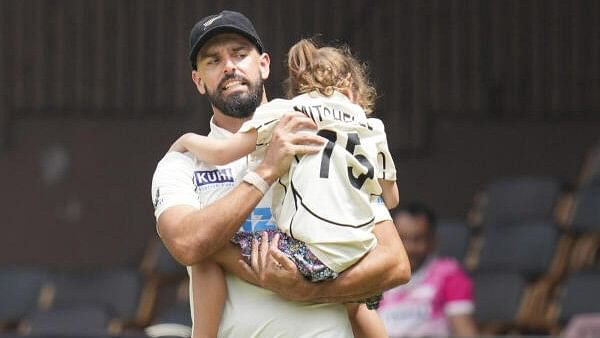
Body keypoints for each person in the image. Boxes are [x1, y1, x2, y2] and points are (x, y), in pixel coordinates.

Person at [151, 10, 410, 338]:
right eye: (213, 60)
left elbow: (395, 264)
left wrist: (306, 290)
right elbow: (188, 244)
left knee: (356, 299)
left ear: (264, 64)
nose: (229, 66)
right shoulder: (181, 164)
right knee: (205, 254)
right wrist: (267, 170)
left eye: (240, 54)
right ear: (198, 81)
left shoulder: (321, 138)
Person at [377, 202, 478, 337]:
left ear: (433, 240)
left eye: (418, 239)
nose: (410, 247)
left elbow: (465, 331)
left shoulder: (449, 275)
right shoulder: (377, 278)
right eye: (402, 239)